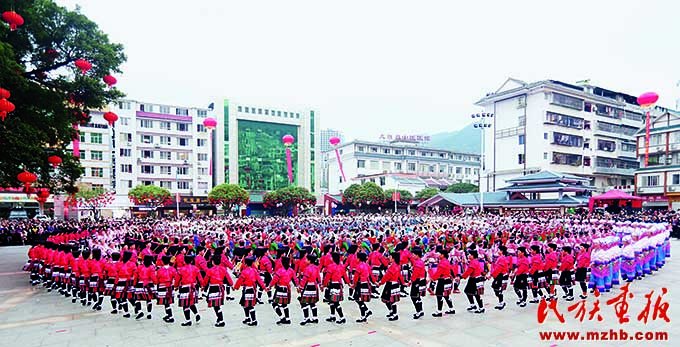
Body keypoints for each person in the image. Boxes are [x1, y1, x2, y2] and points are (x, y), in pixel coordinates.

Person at [201, 254, 234, 327]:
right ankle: (219, 319)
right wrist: (232, 285)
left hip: (213, 288)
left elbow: (206, 280)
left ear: (213, 262)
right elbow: (228, 278)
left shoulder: (210, 270)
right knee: (217, 305)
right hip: (221, 287)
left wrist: (203, 286)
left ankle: (221, 319)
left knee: (216, 305)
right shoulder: (223, 269)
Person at [233, 256, 265, 326]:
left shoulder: (244, 272)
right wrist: (264, 287)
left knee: (249, 306)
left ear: (246, 264)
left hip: (247, 289)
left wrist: (235, 287)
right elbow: (259, 280)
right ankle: (248, 318)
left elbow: (239, 281)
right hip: (252, 289)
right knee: (244, 304)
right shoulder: (254, 271)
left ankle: (254, 320)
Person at [268, 256, 297, 325]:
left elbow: (274, 279)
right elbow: (295, 279)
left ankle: (282, 317)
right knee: (285, 304)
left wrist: (270, 286)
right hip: (287, 289)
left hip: (280, 288)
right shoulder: (291, 270)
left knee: (274, 303)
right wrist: (298, 286)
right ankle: (287, 318)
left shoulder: (280, 271)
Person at [322, 252, 350, 324]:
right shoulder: (341, 266)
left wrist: (323, 285)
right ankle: (332, 316)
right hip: (338, 285)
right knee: (332, 301)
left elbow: (327, 277)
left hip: (333, 285)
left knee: (335, 302)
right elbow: (345, 277)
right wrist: (349, 283)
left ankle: (342, 317)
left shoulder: (331, 266)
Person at [175, 255, 202, 326]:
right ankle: (196, 314)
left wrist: (176, 286)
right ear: (192, 261)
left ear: (184, 261)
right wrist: (202, 285)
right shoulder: (196, 268)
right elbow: (200, 278)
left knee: (185, 305)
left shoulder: (181, 269)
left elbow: (177, 279)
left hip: (184, 287)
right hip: (193, 287)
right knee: (191, 302)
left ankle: (188, 320)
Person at [379, 252, 405, 321]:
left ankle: (395, 314)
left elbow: (387, 276)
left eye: (390, 257)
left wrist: (380, 283)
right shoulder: (397, 266)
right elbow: (399, 276)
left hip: (391, 284)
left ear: (393, 259)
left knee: (391, 300)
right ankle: (392, 311)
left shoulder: (392, 267)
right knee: (387, 299)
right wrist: (403, 283)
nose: (389, 258)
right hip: (394, 283)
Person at [430, 248, 456, 317]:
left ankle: (439, 311)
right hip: (448, 280)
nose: (438, 255)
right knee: (446, 295)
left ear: (443, 255)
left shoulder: (442, 262)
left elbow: (439, 272)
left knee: (439, 295)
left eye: (440, 254)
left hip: (442, 281)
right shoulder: (447, 261)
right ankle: (451, 308)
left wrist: (433, 278)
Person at [298, 254, 321, 326]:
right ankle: (315, 318)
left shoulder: (307, 269)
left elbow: (304, 279)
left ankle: (306, 318)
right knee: (312, 303)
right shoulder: (316, 268)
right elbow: (318, 277)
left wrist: (300, 287)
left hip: (308, 286)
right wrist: (320, 284)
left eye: (306, 259)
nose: (305, 261)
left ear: (309, 261)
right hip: (314, 286)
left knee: (303, 302)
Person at [352, 252, 374, 323]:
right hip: (366, 284)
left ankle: (363, 316)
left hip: (360, 284)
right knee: (359, 300)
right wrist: (375, 282)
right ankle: (367, 311)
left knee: (359, 300)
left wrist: (353, 285)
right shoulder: (367, 265)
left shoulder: (358, 266)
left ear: (359, 258)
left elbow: (356, 277)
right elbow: (371, 275)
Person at [133, 255, 157, 320]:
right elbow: (153, 276)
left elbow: (135, 276)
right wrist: (155, 282)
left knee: (138, 299)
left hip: (140, 283)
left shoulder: (139, 267)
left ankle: (140, 311)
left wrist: (134, 283)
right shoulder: (152, 267)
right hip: (149, 284)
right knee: (148, 299)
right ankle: (149, 313)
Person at [461, 249, 485, 314]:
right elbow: (481, 269)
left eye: (469, 254)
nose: (468, 255)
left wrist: (461, 277)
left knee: (477, 294)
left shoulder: (473, 262)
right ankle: (473, 305)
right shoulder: (475, 261)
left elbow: (468, 271)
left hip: (475, 279)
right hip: (474, 279)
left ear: (472, 256)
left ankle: (481, 307)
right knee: (467, 291)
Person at [489, 245, 510, 310]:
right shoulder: (501, 257)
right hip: (500, 275)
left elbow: (499, 268)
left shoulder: (502, 258)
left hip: (501, 275)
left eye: (498, 250)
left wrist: (492, 275)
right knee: (496, 288)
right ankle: (501, 302)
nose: (497, 251)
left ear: (501, 251)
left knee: (497, 288)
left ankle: (501, 302)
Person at [409, 246, 427, 319]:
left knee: (414, 296)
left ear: (417, 255)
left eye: (413, 254)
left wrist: (411, 281)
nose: (412, 256)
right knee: (417, 296)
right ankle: (420, 310)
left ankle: (418, 311)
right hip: (420, 280)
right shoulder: (419, 262)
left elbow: (415, 274)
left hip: (417, 281)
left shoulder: (418, 263)